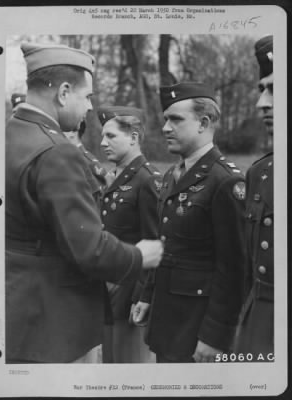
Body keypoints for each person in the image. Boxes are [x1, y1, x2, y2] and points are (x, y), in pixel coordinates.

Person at [5, 42, 163, 364]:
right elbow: (89, 248)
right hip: (54, 322)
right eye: (87, 96)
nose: (90, 108)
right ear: (64, 92)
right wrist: (139, 256)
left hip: (18, 309)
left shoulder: (8, 134)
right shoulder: (57, 151)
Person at [132, 82, 246, 363]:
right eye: (165, 119)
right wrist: (147, 295)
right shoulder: (173, 174)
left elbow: (235, 269)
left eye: (176, 119)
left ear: (203, 123)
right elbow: (165, 243)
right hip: (167, 319)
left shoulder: (225, 181)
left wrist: (215, 336)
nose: (166, 128)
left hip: (197, 330)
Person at [98, 106, 161, 363]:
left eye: (111, 136)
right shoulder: (114, 177)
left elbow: (156, 245)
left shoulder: (147, 180)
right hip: (108, 290)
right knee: (110, 364)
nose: (103, 143)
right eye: (103, 136)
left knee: (130, 368)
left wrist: (142, 296)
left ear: (133, 138)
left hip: (130, 296)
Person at [234, 36, 274, 361]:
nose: (262, 102)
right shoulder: (260, 172)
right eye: (262, 89)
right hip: (257, 324)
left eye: (275, 88)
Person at [64, 120, 107, 206]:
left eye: (61, 129)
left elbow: (96, 199)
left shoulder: (85, 161)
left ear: (72, 132)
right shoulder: (74, 157)